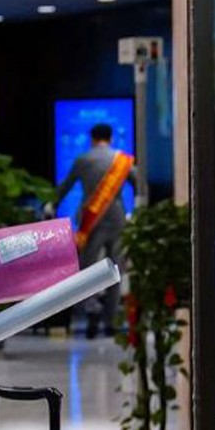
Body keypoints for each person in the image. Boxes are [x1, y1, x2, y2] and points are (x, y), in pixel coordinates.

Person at [56, 123, 138, 338]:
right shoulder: (121, 159)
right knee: (115, 271)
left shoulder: (83, 160)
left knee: (88, 271)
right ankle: (109, 321)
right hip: (118, 219)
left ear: (92, 138)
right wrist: (137, 210)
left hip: (90, 220)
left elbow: (64, 188)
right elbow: (139, 183)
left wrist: (51, 207)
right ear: (110, 138)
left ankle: (92, 312)